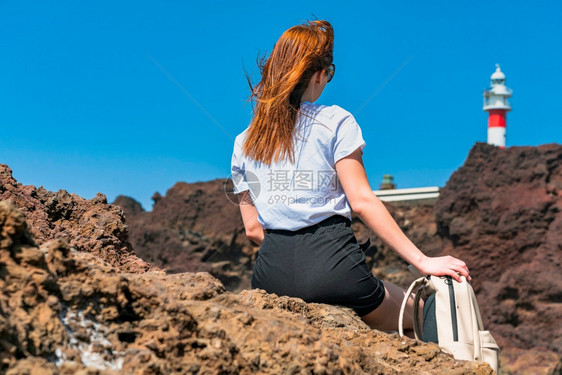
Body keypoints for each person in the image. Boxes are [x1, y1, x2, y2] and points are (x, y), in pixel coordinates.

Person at [230, 20, 470, 332]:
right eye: (328, 73)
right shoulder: (336, 120)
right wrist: (423, 261)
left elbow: (252, 228)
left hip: (270, 277)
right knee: (421, 312)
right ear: (317, 73)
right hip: (334, 269)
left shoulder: (243, 141)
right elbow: (361, 202)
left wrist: (294, 259)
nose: (327, 81)